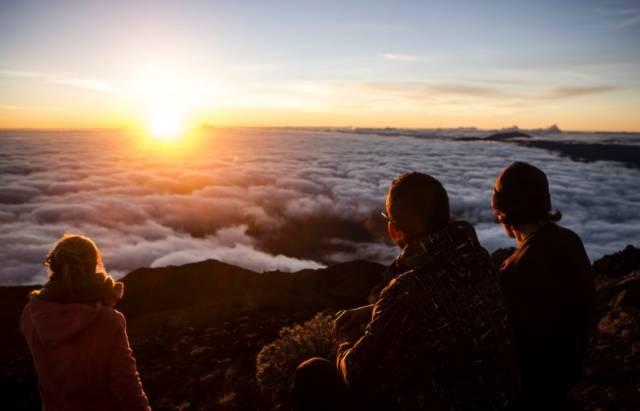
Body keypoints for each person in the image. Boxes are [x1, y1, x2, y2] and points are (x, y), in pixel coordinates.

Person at [292, 172, 518, 410]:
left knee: (311, 373)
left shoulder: (407, 291)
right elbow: (444, 303)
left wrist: (344, 341)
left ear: (393, 229)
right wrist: (374, 310)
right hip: (503, 398)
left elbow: (358, 377)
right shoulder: (477, 258)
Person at [491, 161, 596, 410]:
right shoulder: (571, 241)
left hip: (533, 391)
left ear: (502, 211)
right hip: (568, 373)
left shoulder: (516, 270)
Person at [21, 234, 151, 411]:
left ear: (54, 267)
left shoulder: (31, 314)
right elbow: (126, 384)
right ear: (93, 267)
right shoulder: (109, 320)